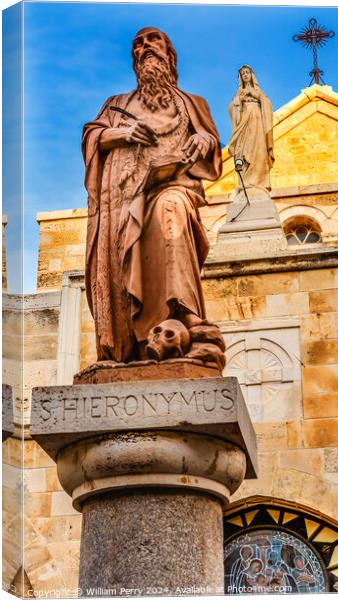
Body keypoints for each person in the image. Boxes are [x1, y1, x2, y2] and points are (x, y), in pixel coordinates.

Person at [82, 27, 222, 363]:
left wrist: (204, 140)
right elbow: (92, 136)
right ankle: (134, 336)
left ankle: (183, 315)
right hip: (126, 196)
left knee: (170, 209)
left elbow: (213, 148)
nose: (144, 47)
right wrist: (125, 132)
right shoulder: (117, 105)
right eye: (138, 44)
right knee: (129, 237)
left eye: (152, 41)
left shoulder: (192, 104)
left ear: (169, 55)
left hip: (173, 186)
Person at [228, 65, 274, 193]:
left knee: (258, 150)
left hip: (257, 121)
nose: (245, 75)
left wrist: (255, 95)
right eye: (243, 73)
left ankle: (259, 181)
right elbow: (231, 107)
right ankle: (246, 181)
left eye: (247, 72)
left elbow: (267, 104)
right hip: (244, 123)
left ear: (252, 75)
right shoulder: (239, 93)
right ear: (240, 77)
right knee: (244, 149)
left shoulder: (258, 91)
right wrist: (240, 100)